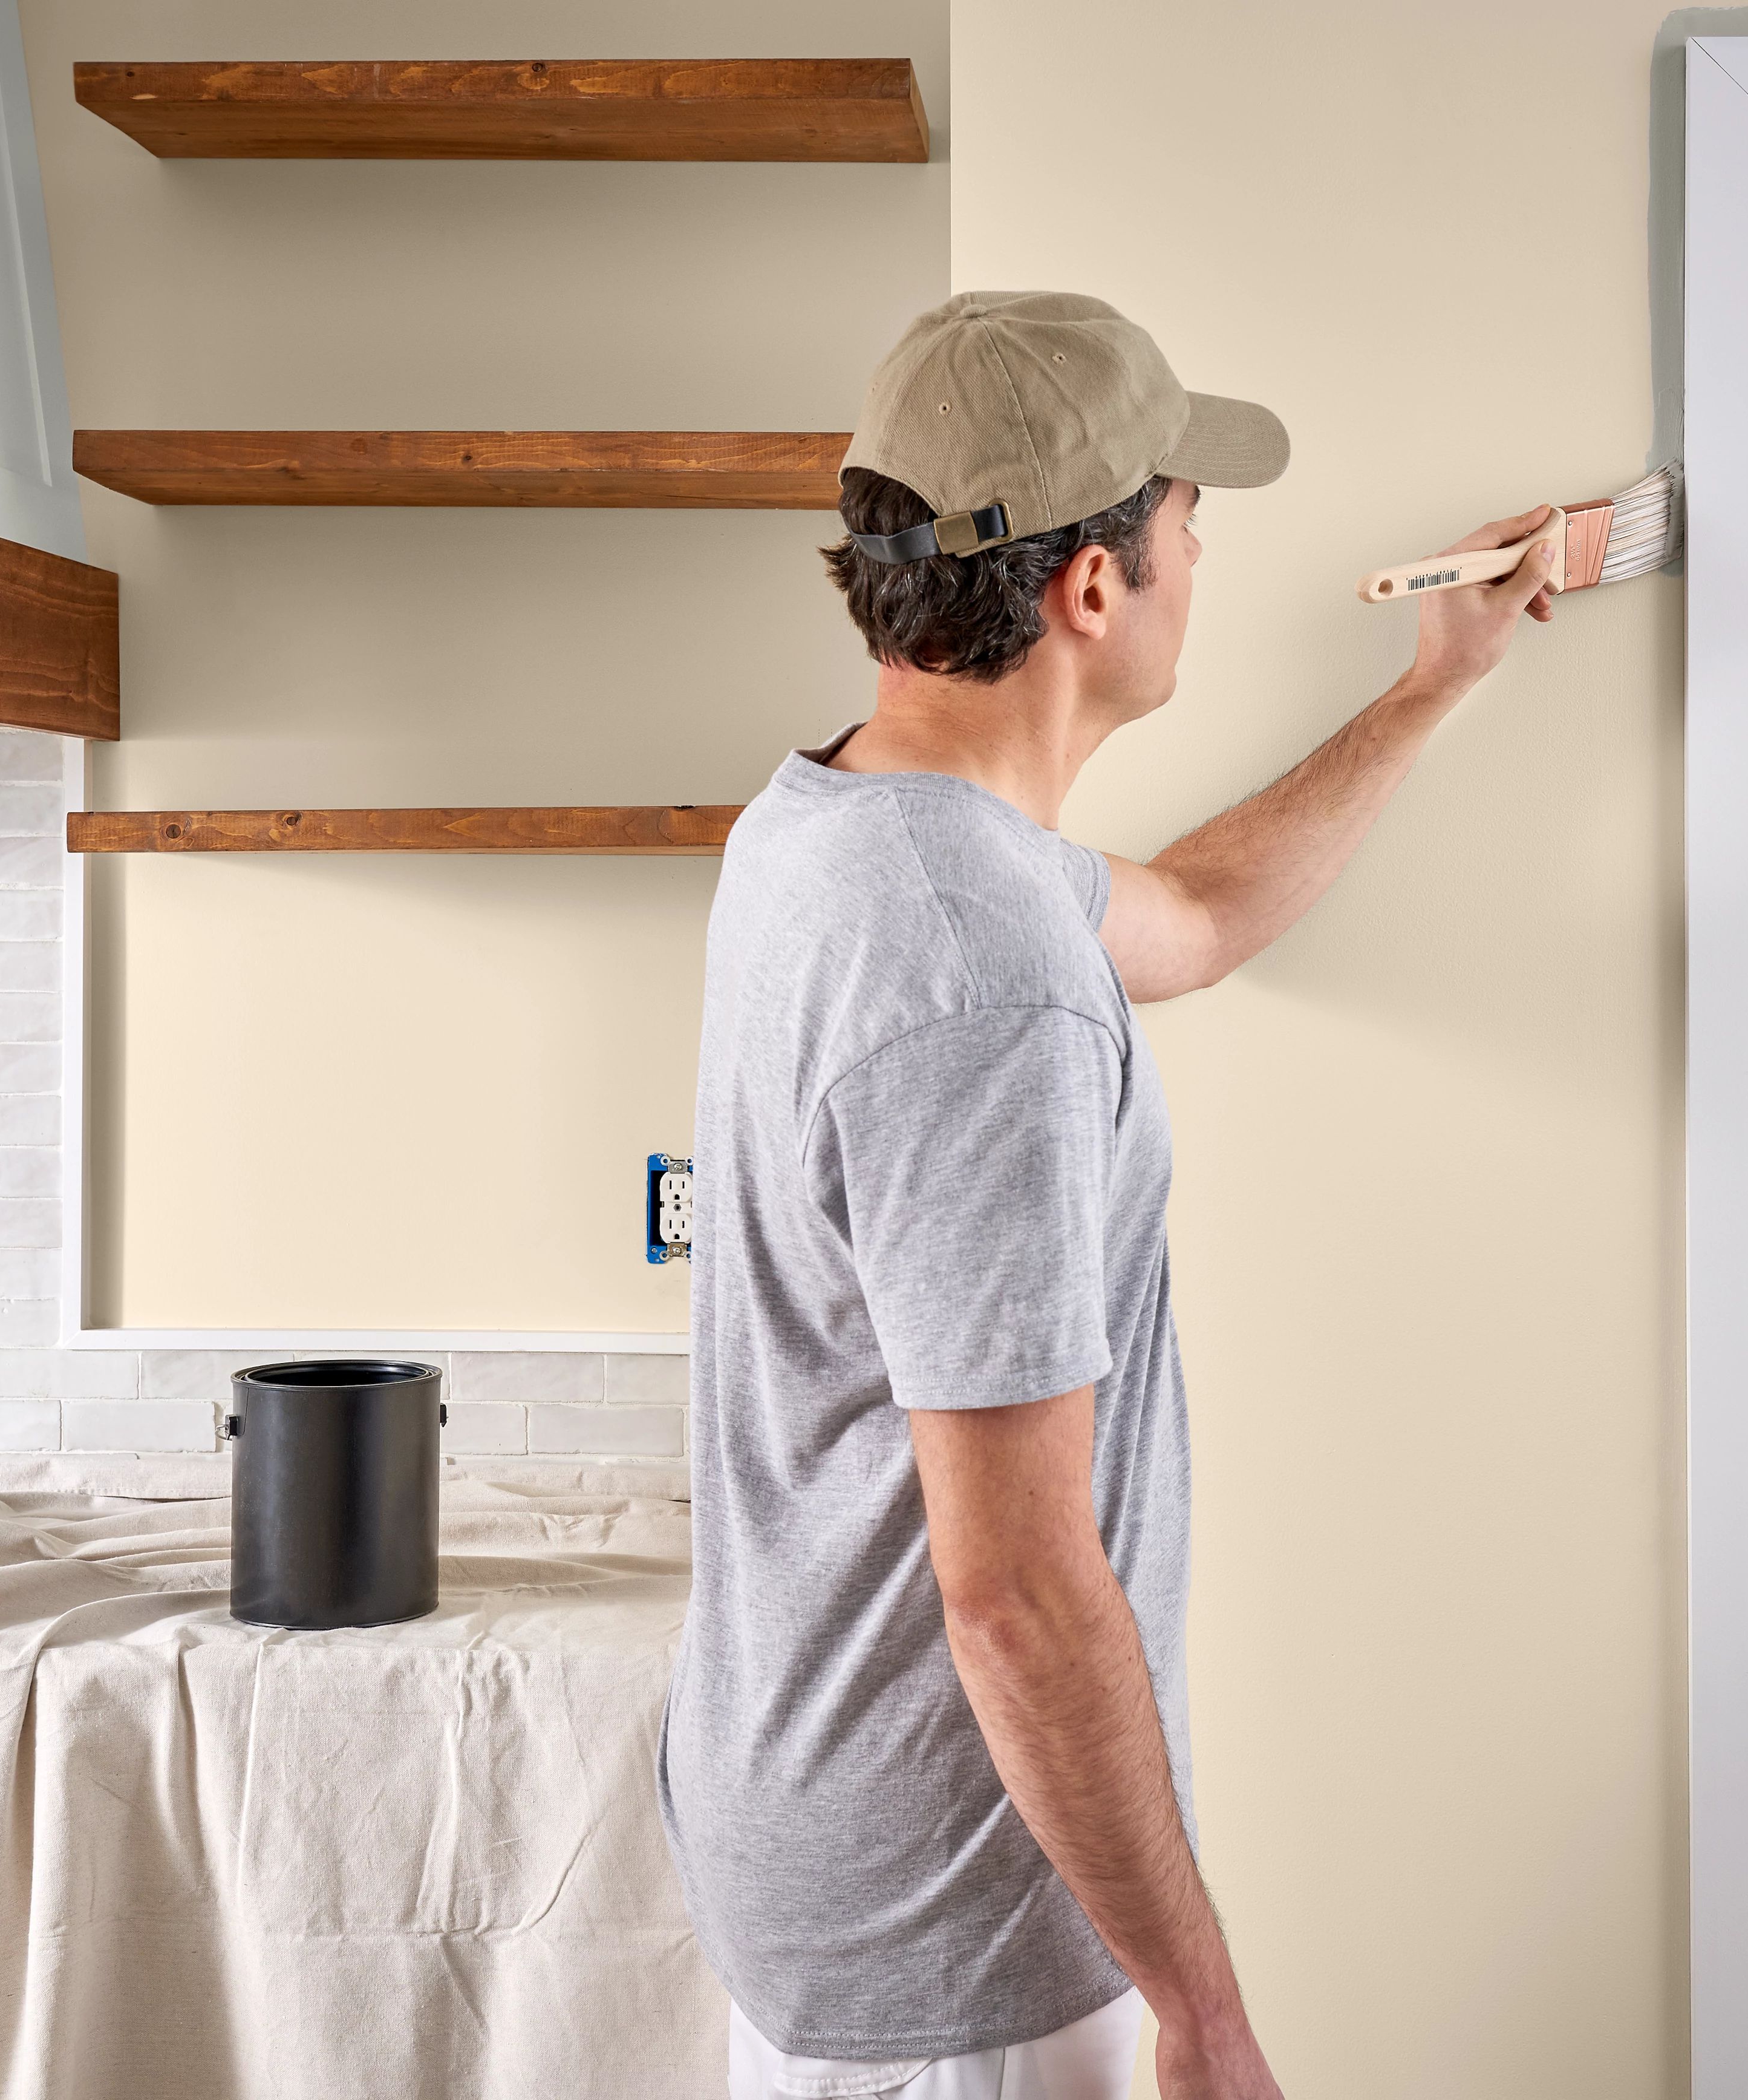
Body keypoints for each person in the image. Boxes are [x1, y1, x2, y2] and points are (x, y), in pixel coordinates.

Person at [659, 290, 1560, 2100]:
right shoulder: (976, 974)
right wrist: (1207, 2016)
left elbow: (1194, 920)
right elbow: (1016, 1595)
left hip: (824, 1837)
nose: (1201, 545)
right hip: (955, 1942)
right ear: (1091, 591)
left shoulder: (841, 829)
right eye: (1182, 516)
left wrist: (1433, 686)